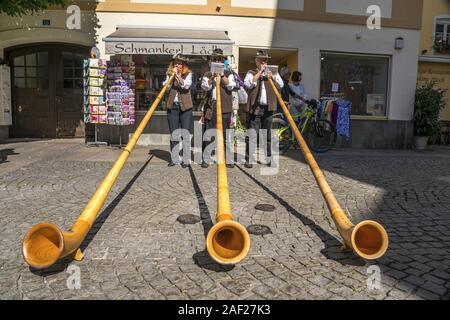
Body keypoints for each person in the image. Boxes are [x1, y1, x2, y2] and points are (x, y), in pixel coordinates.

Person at [244, 50, 284, 168]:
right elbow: (248, 84)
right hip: (255, 107)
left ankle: (268, 158)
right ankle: (249, 159)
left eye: (265, 60)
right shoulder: (251, 72)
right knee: (252, 134)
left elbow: (281, 85)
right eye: (261, 60)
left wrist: (274, 76)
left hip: (268, 108)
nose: (263, 62)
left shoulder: (273, 73)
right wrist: (260, 72)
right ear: (256, 61)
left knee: (267, 135)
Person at [201, 48, 237, 168]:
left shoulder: (229, 73)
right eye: (215, 59)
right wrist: (213, 77)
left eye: (219, 59)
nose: (217, 61)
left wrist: (222, 76)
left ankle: (227, 159)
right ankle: (206, 158)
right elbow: (205, 87)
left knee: (225, 135)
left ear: (223, 61)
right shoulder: (207, 74)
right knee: (208, 134)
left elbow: (231, 86)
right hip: (211, 107)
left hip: (225, 107)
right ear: (212, 61)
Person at [164, 54, 193, 168]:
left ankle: (185, 159)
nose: (177, 65)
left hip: (186, 108)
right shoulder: (169, 75)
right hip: (173, 107)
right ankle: (174, 158)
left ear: (183, 65)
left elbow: (186, 86)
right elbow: (165, 88)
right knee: (174, 134)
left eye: (180, 63)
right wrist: (171, 79)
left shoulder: (188, 74)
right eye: (176, 63)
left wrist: (178, 77)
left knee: (185, 134)